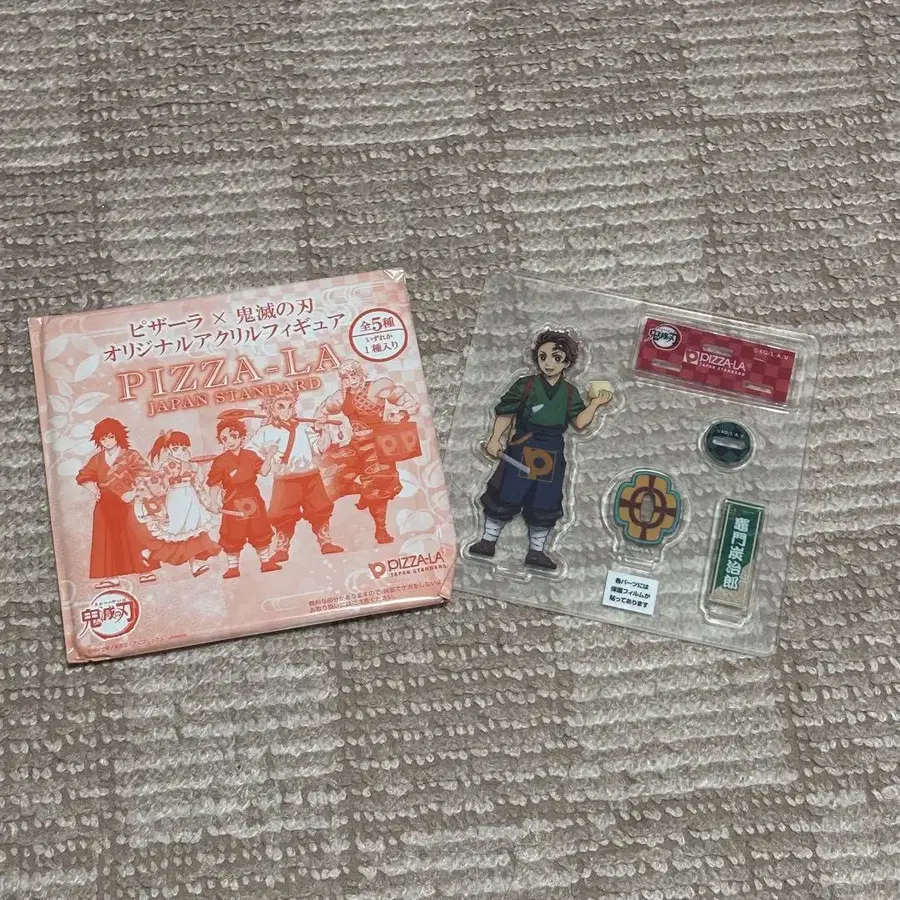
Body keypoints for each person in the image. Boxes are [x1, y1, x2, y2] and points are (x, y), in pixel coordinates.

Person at [468, 330, 612, 570]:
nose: (548, 363)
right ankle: (487, 541)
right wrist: (494, 439)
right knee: (505, 494)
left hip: (551, 450)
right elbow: (506, 412)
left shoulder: (569, 392)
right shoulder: (526, 385)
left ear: (567, 362)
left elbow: (579, 422)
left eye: (556, 357)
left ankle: (536, 552)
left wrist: (595, 404)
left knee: (544, 500)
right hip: (522, 445)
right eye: (543, 357)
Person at [314, 360, 420, 544]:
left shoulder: (376, 388)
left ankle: (381, 530)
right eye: (346, 377)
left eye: (353, 375)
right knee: (331, 469)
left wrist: (402, 414)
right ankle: (363, 491)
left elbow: (411, 403)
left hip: (378, 445)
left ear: (360, 373)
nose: (351, 380)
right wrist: (320, 422)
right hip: (356, 444)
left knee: (379, 483)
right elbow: (322, 411)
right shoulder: (341, 395)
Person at [245, 395, 342, 563]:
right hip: (285, 479)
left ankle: (326, 543)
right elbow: (250, 452)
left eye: (290, 406)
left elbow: (319, 449)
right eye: (280, 407)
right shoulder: (265, 432)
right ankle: (282, 549)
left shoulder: (304, 428)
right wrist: (268, 456)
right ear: (272, 409)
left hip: (310, 475)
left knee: (320, 508)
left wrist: (322, 430)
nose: (286, 411)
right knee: (282, 514)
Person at [76, 418, 159, 588]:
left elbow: (147, 475)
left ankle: (145, 571)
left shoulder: (131, 455)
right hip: (105, 502)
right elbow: (83, 476)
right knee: (106, 538)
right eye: (103, 438)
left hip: (128, 500)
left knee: (136, 534)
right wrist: (94, 490)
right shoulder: (97, 459)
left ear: (118, 436)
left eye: (111, 437)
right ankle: (110, 576)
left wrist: (134, 492)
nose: (107, 441)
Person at [135, 430, 221, 577]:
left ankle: (193, 565)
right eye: (176, 448)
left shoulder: (190, 464)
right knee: (177, 531)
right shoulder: (169, 465)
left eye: (183, 448)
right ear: (169, 449)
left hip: (191, 499)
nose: (180, 452)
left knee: (191, 533)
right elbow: (158, 483)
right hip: (176, 499)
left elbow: (198, 483)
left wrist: (207, 503)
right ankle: (149, 552)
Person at [206, 415, 281, 578]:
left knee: (259, 530)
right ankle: (233, 567)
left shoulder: (250, 455)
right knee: (232, 534)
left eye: (234, 436)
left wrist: (269, 455)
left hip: (252, 497)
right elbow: (214, 484)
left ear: (241, 436)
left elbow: (264, 471)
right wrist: (213, 502)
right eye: (225, 438)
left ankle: (266, 562)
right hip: (232, 501)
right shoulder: (220, 461)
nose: (230, 441)